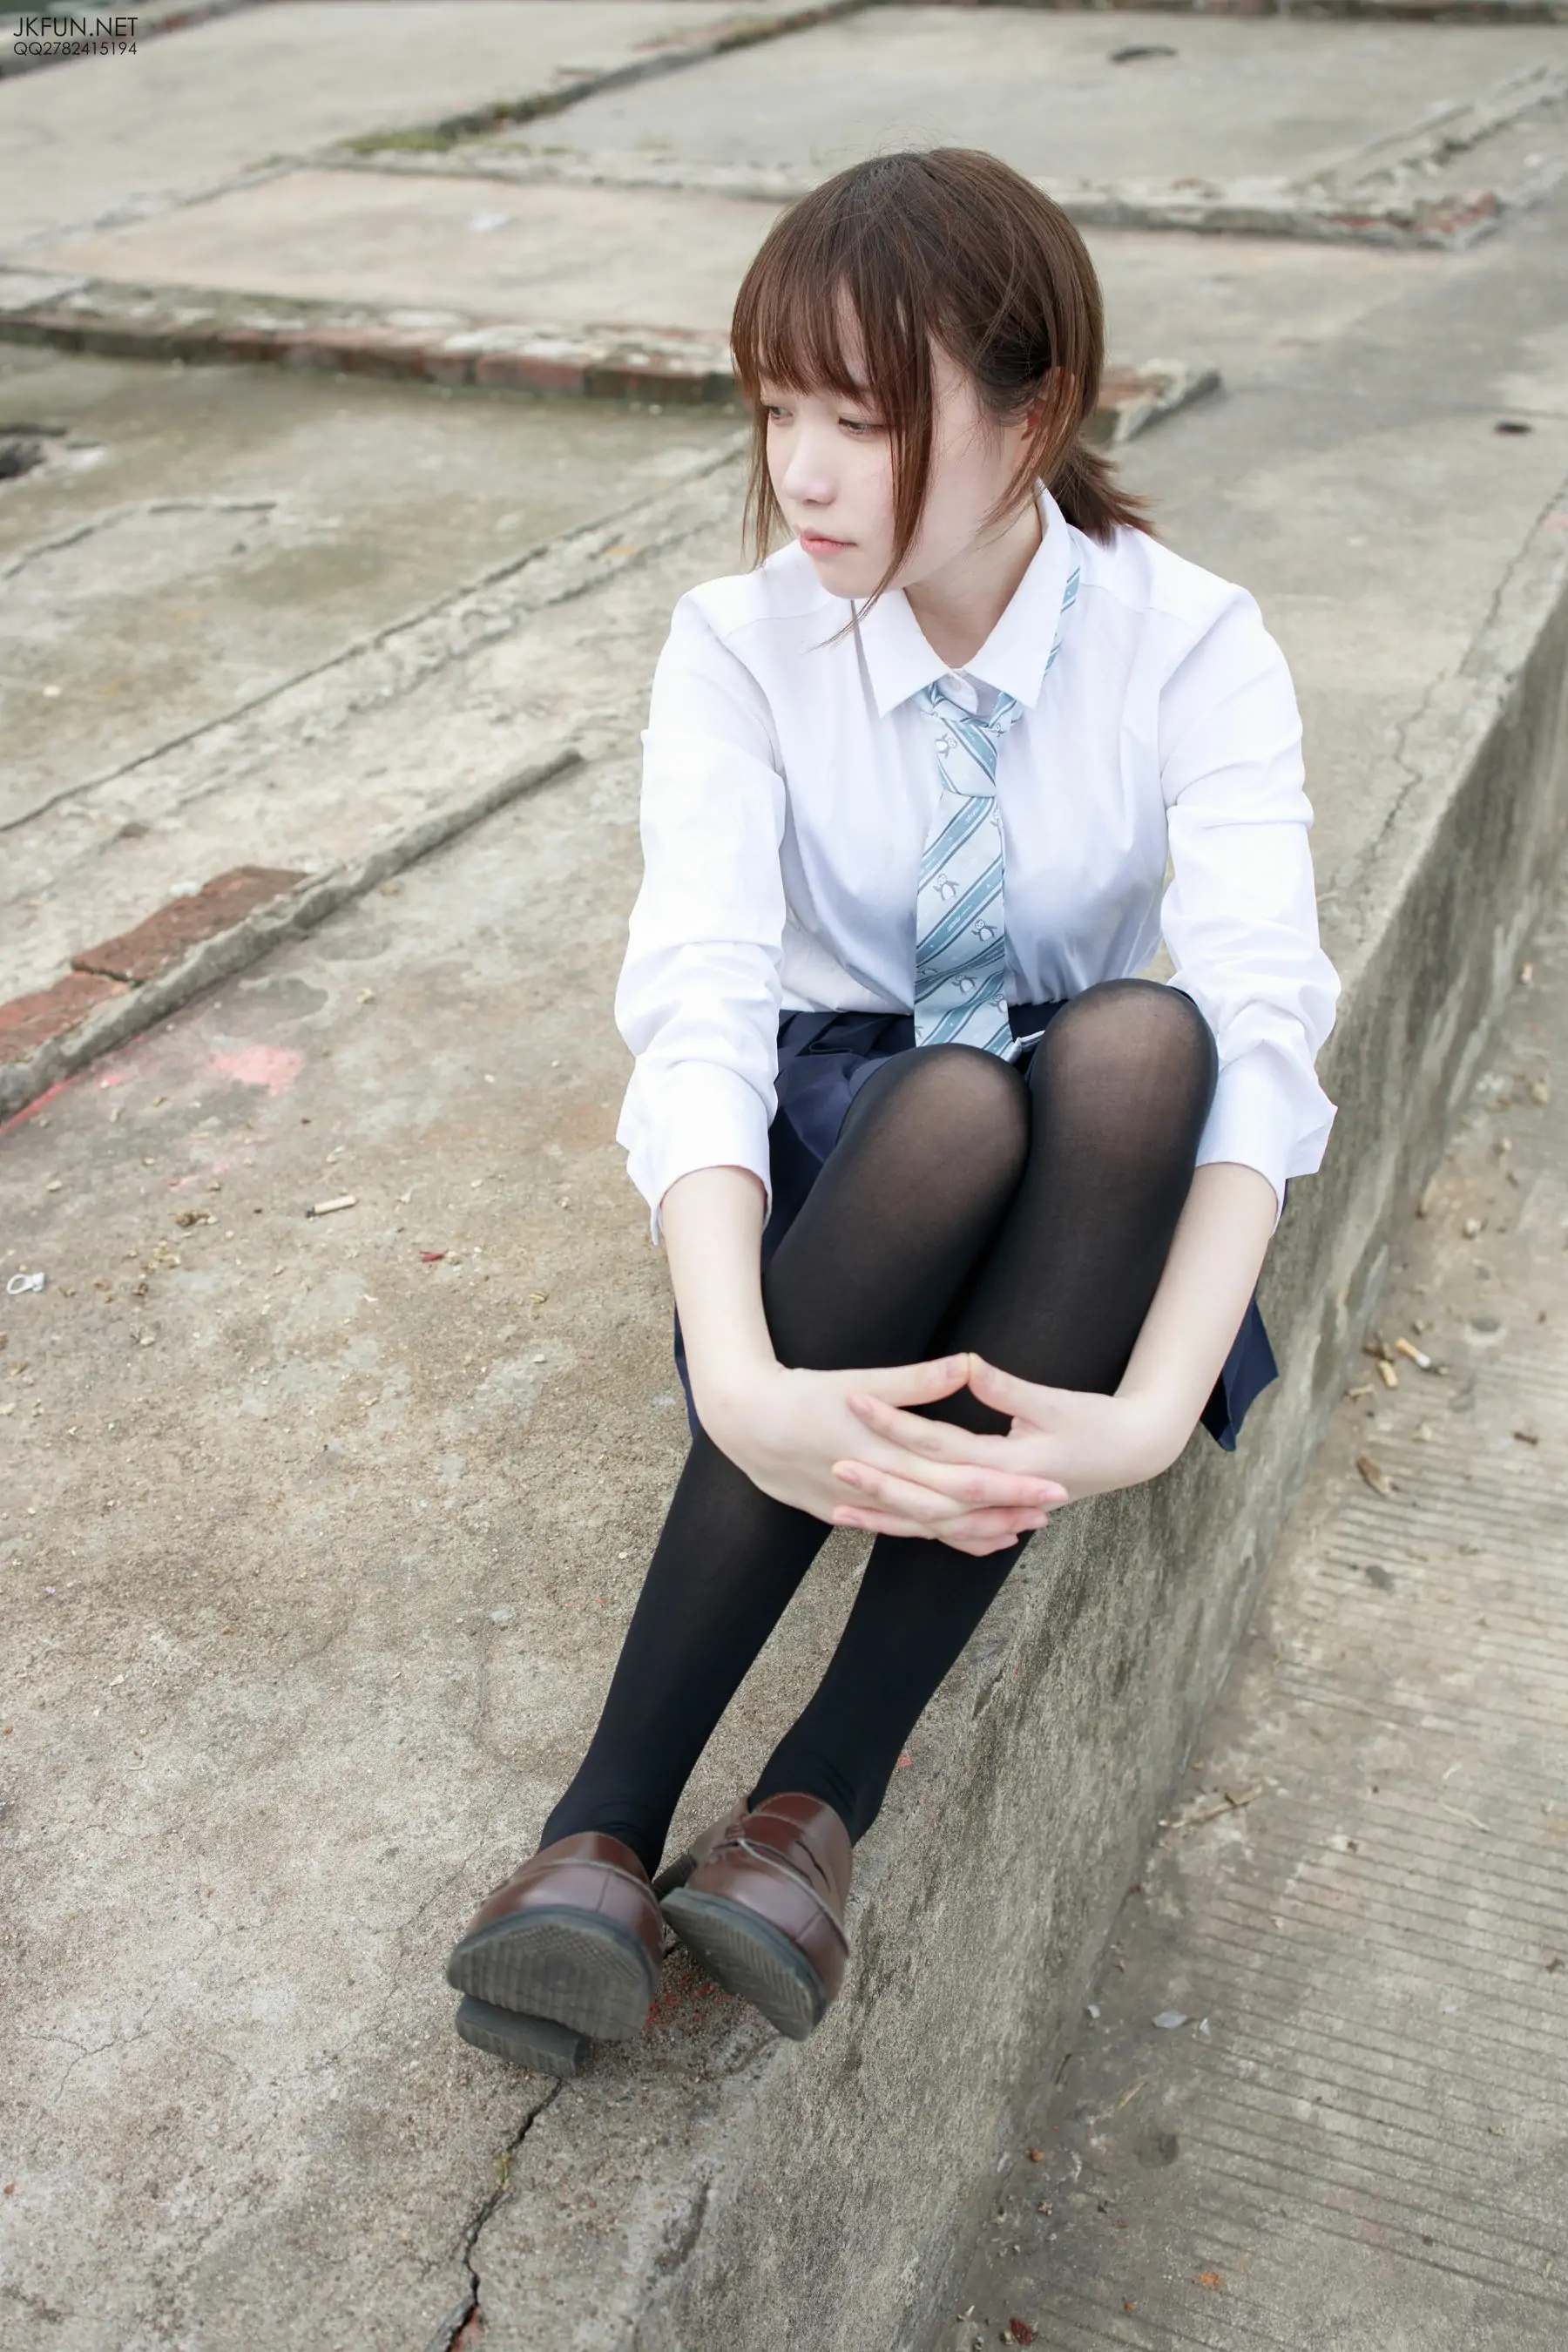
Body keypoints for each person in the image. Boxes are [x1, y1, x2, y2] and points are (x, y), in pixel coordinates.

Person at [445, 148, 1339, 2078]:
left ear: (1036, 415)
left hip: (1087, 1163)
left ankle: (816, 1797)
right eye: (779, 410)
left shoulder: (1192, 642)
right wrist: (737, 1371)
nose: (806, 473)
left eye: (864, 420)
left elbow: (1265, 1025)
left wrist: (1152, 1413)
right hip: (850, 1146)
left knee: (1148, 1043)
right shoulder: (739, 644)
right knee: (948, 1106)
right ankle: (604, 1819)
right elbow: (698, 998)